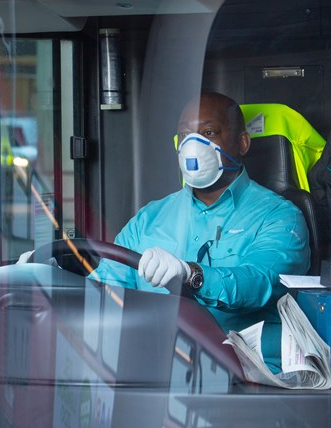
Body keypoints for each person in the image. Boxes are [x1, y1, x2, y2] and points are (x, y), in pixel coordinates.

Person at [93, 92, 310, 342]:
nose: (192, 146)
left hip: (242, 370)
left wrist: (191, 274)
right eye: (185, 136)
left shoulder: (280, 217)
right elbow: (103, 291)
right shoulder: (148, 219)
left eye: (208, 133)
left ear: (242, 143)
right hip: (154, 363)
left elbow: (260, 283)